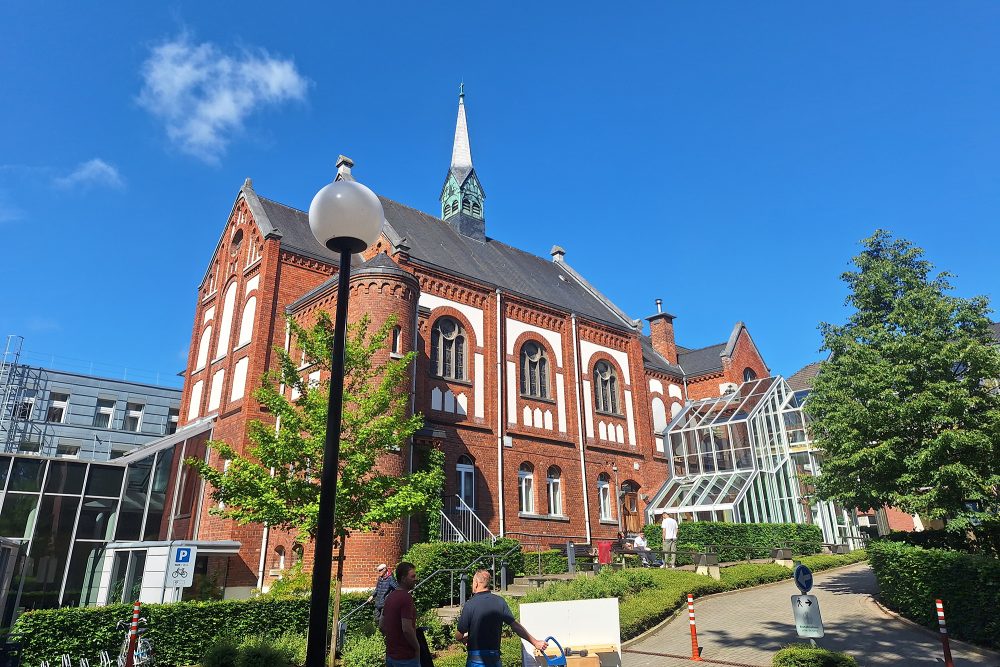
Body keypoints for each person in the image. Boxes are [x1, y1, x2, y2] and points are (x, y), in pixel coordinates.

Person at [455, 570, 548, 666]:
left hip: (476, 660)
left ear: (476, 583)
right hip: (494, 659)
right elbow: (515, 626)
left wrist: (464, 638)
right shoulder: (500, 602)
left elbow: (459, 635)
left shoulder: (470, 605)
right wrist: (535, 642)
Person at [380, 562, 420, 667]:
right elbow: (407, 629)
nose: (416, 579)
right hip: (406, 658)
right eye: (412, 576)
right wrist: (417, 647)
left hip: (391, 656)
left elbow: (381, 625)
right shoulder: (406, 598)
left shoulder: (390, 597)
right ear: (403, 578)